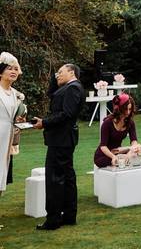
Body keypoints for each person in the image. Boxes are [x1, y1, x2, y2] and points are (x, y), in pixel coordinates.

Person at [33, 63, 84, 230]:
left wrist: (44, 123)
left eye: (60, 72)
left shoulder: (73, 88)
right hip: (63, 139)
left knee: (55, 179)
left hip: (61, 139)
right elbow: (52, 94)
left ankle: (53, 219)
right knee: (67, 177)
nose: (57, 75)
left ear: (71, 72)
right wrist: (55, 79)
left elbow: (66, 114)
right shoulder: (68, 87)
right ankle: (69, 215)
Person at [0, 53, 26, 198]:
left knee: (2, 177)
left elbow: (16, 118)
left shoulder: (17, 95)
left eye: (16, 69)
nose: (13, 72)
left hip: (7, 141)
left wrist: (20, 121)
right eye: (9, 68)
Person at [94, 94, 141, 168]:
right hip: (104, 155)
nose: (128, 112)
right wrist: (113, 157)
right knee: (122, 160)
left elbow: (133, 140)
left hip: (118, 152)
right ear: (119, 108)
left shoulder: (130, 123)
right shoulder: (107, 123)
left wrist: (133, 149)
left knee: (135, 154)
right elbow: (103, 146)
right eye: (125, 109)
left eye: (130, 109)